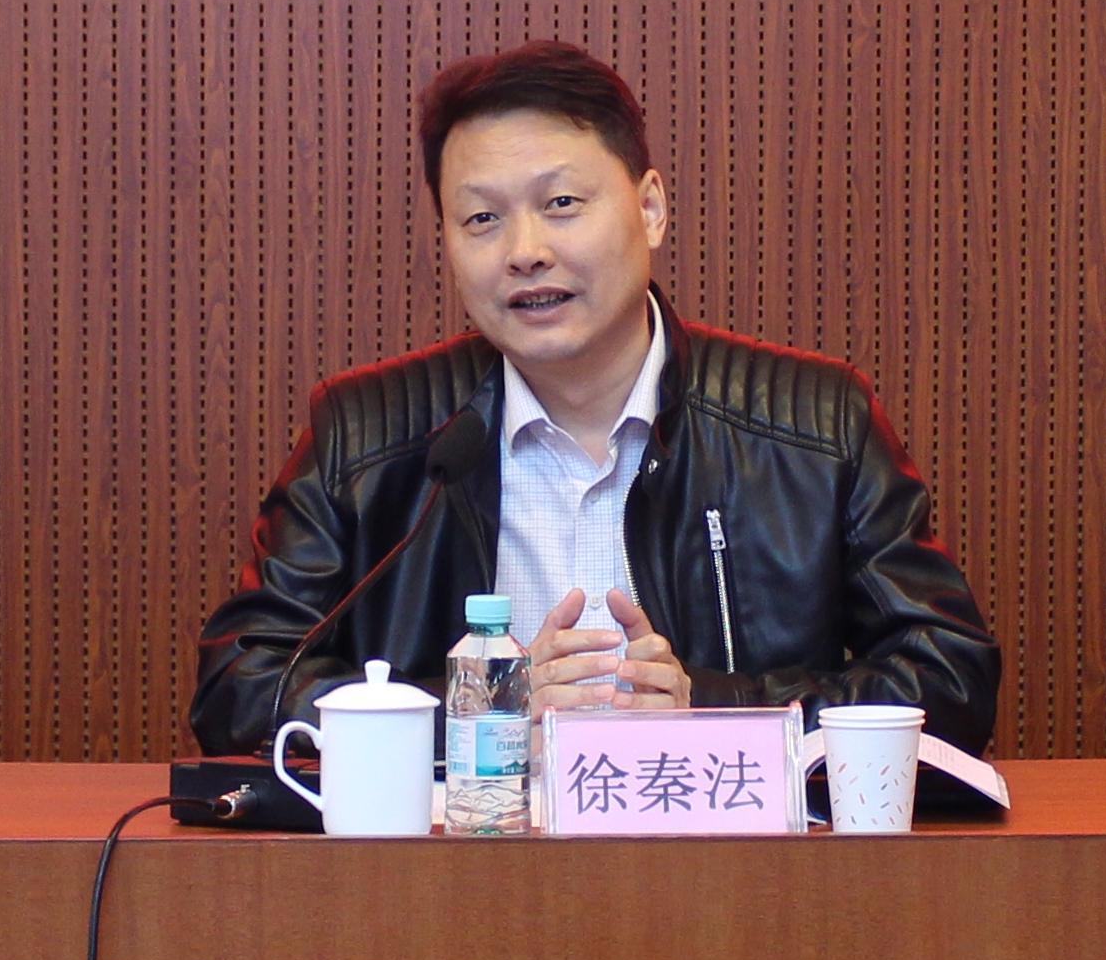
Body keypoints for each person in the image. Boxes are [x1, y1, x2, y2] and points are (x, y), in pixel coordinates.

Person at [192, 41, 1000, 762]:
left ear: (650, 208)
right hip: (456, 871)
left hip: (731, 872)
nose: (526, 252)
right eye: (482, 218)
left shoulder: (815, 424)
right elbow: (241, 685)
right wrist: (486, 710)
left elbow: (950, 677)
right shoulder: (367, 435)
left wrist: (711, 710)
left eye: (562, 205)